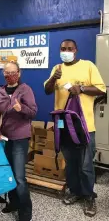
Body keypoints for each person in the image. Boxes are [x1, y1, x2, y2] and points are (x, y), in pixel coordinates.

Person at [44, 39, 106, 217]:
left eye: (69, 49)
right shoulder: (57, 69)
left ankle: (88, 196)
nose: (66, 51)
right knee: (70, 163)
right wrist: (53, 79)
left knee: (86, 164)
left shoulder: (88, 66)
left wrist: (82, 88)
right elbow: (47, 90)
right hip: (63, 125)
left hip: (84, 125)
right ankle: (75, 191)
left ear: (76, 50)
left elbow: (102, 90)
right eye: (63, 49)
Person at [0, 61, 37, 221]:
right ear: (3, 74)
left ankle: (25, 210)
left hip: (20, 138)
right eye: (6, 73)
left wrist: (21, 108)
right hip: (5, 138)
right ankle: (14, 202)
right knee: (8, 173)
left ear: (19, 72)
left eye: (13, 72)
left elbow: (33, 112)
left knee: (19, 177)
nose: (10, 75)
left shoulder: (25, 90)